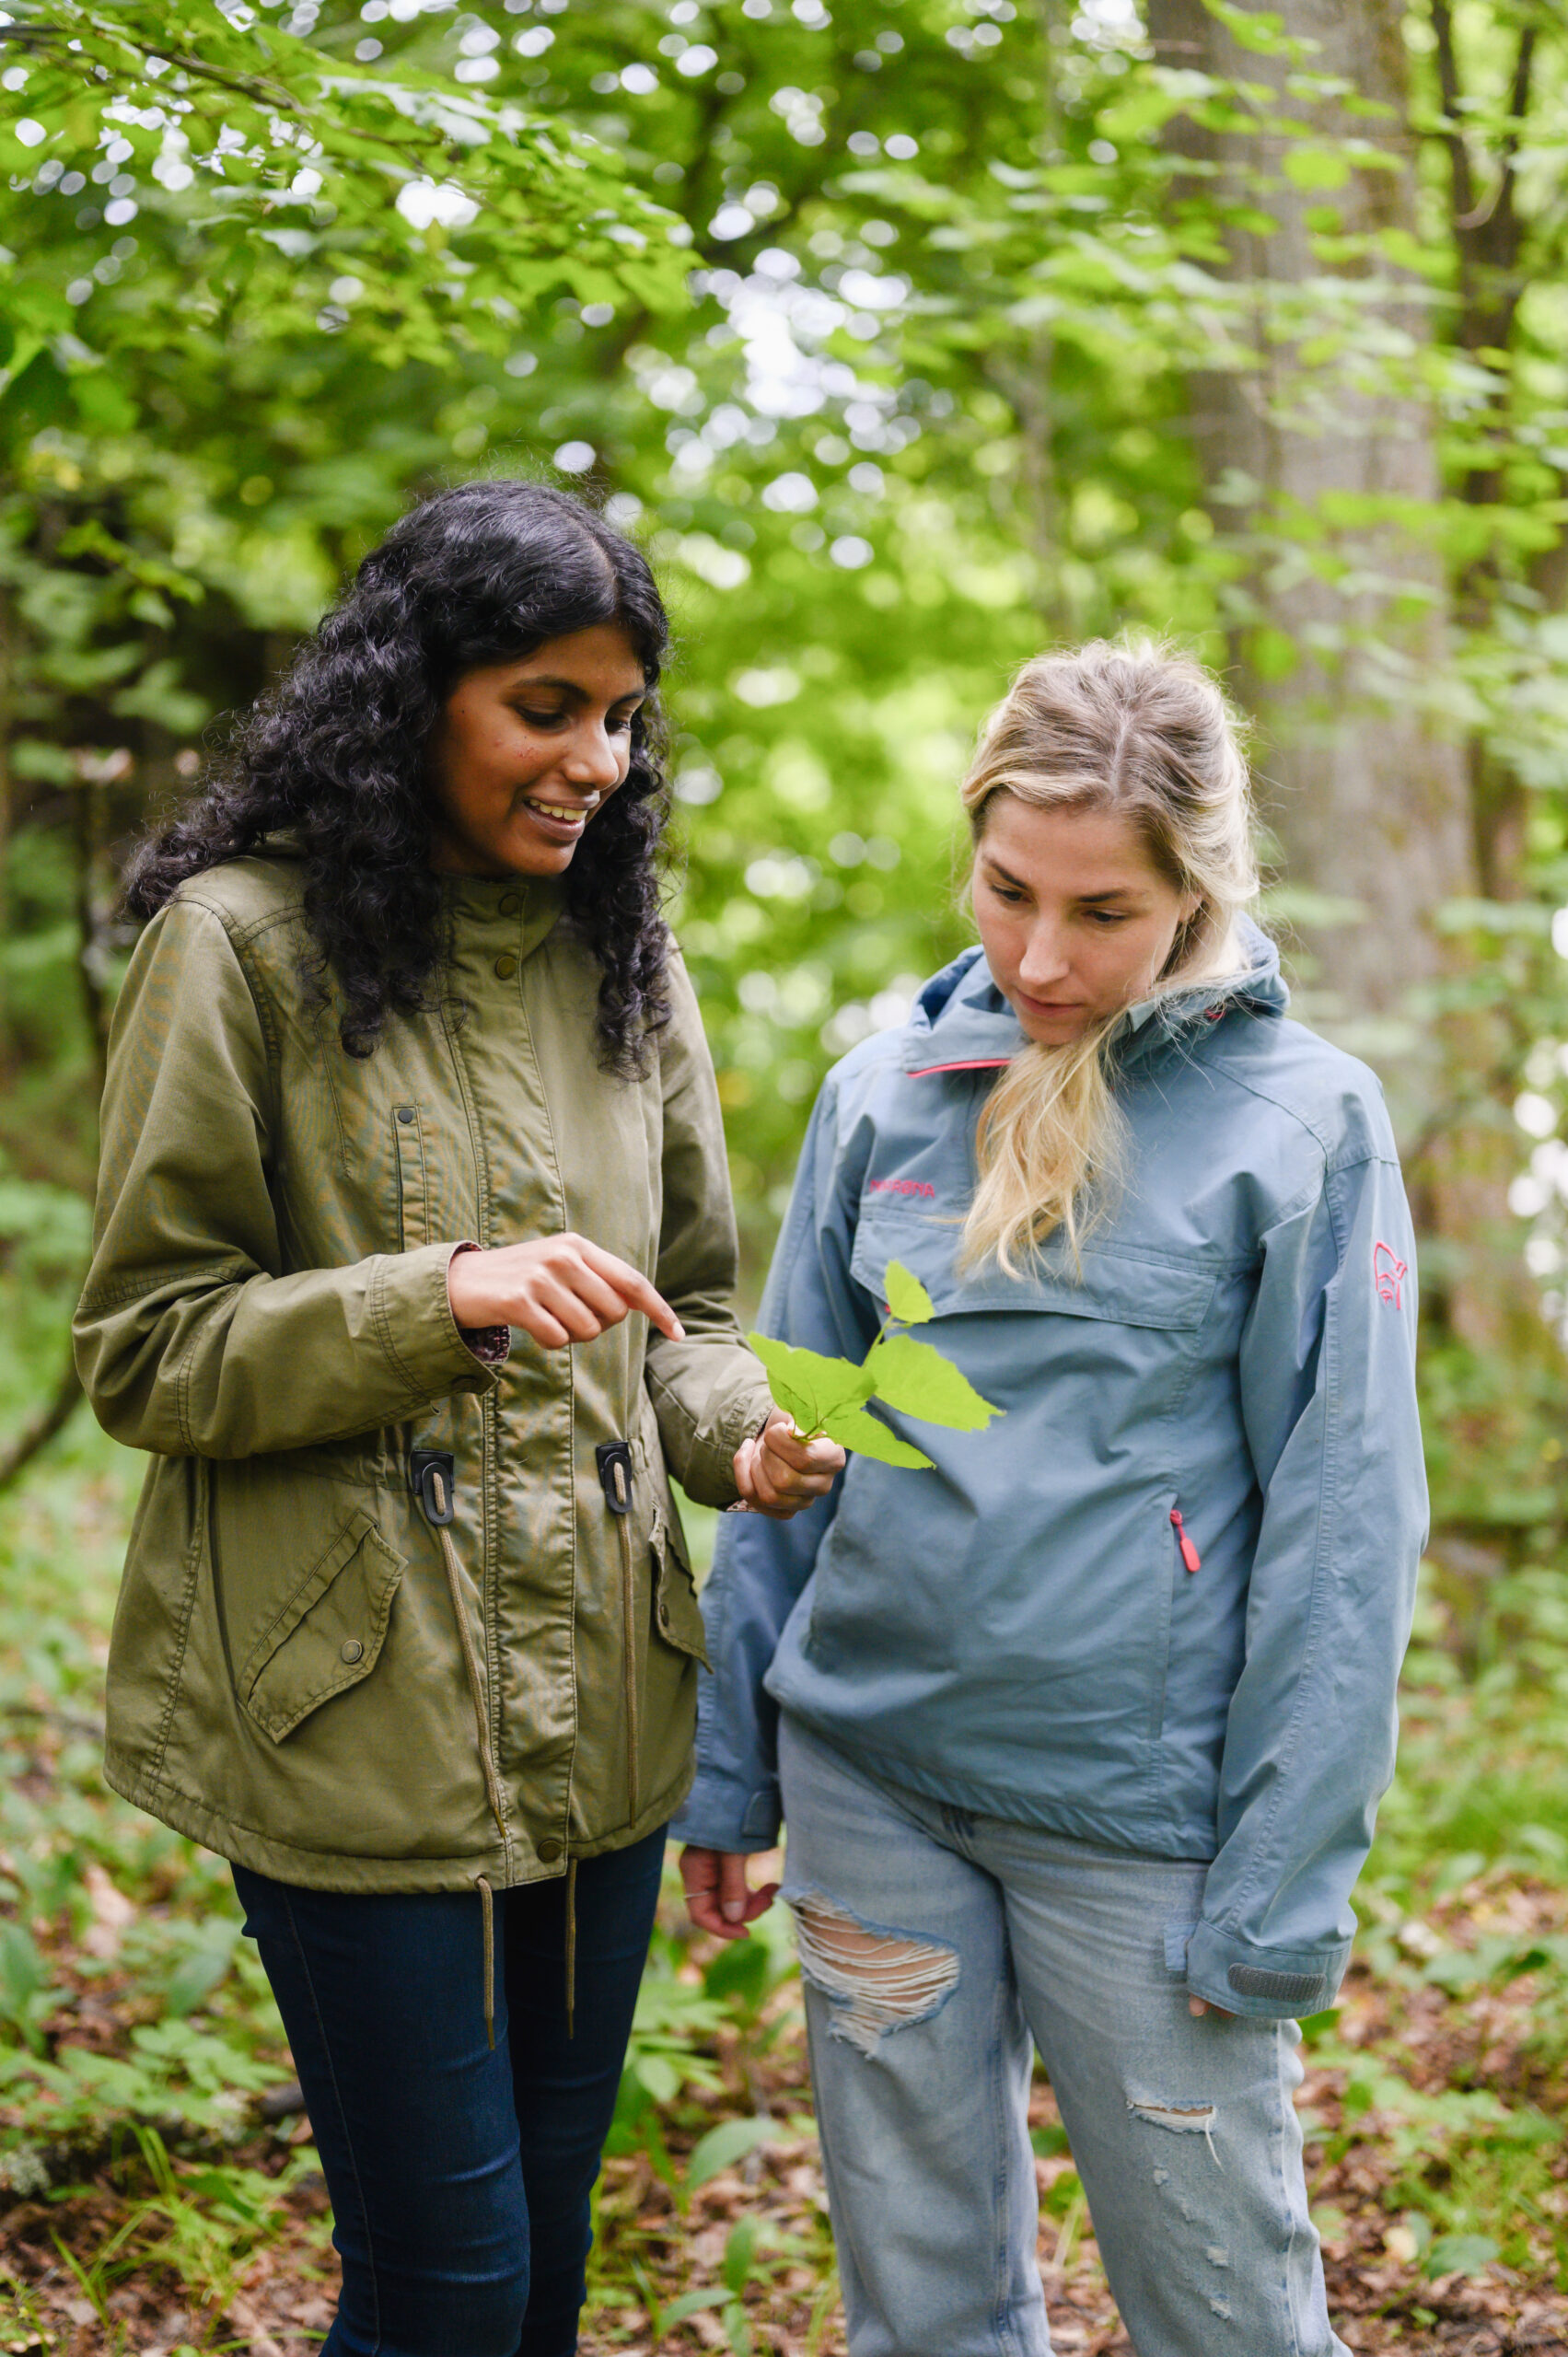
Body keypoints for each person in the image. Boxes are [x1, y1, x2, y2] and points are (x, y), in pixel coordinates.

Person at [74, 480, 842, 2357]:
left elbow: (697, 1313)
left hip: (608, 1706)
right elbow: (148, 1347)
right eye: (548, 704)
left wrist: (739, 1433)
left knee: (547, 2264)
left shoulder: (625, 966)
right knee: (451, 2282)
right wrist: (441, 1297)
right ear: (415, 694)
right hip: (357, 1714)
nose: (598, 756)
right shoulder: (240, 949)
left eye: (623, 714)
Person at [677, 638, 1427, 2357]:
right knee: (922, 2314)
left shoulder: (1305, 1126)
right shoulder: (884, 1095)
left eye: (1102, 914)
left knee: (1226, 2318)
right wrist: (733, 1770)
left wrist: (1283, 1888)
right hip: (873, 1789)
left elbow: (1343, 1532)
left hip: (1140, 1832)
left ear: (1197, 894)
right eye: (1010, 892)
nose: (1039, 956)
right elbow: (793, 1440)